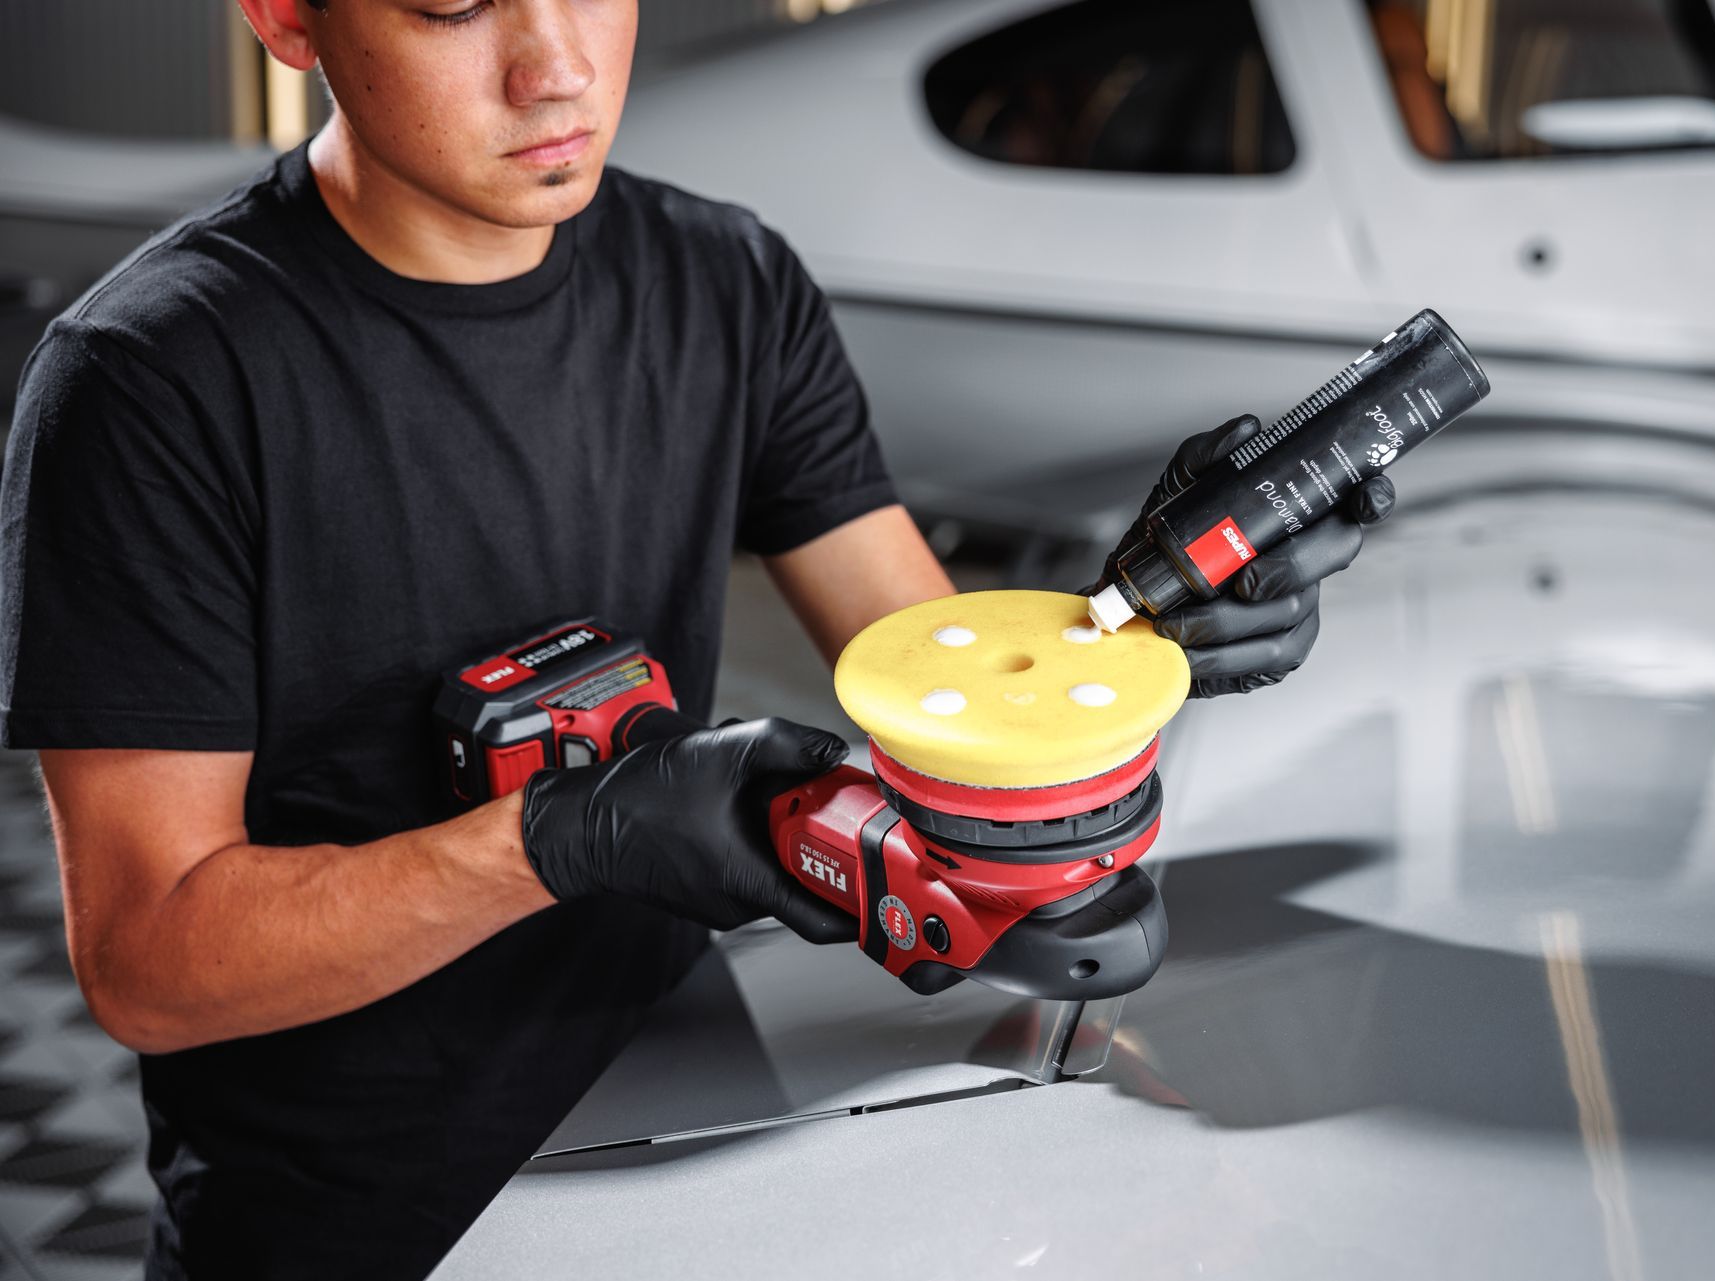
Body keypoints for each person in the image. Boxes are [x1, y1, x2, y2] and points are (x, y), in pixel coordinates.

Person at [0, 1, 1390, 1277]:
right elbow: (149, 961)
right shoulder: (145, 386)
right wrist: (556, 837)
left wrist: (1137, 630)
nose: (557, 68)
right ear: (286, 17)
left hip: (688, 1152)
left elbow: (945, 690)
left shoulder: (725, 283)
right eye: (450, 5)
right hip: (352, 1234)